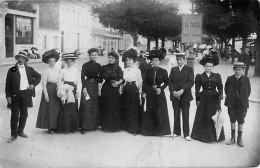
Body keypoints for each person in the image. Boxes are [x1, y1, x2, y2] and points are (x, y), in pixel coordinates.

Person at [5, 50, 41, 143]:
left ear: (25, 60)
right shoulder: (12, 69)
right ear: (17, 59)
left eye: (22, 58)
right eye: (19, 58)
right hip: (15, 95)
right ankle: (13, 134)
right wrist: (8, 96)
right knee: (15, 115)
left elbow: (38, 76)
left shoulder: (29, 69)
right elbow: (7, 84)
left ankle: (20, 131)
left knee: (24, 114)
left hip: (26, 94)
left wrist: (33, 84)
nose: (20, 59)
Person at [191, 54, 225, 143]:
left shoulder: (217, 76)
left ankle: (215, 136)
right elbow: (197, 89)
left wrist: (221, 94)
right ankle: (203, 137)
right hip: (204, 98)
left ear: (213, 67)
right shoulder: (199, 76)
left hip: (214, 98)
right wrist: (197, 99)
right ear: (204, 67)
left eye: (210, 66)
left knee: (215, 116)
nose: (208, 68)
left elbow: (220, 87)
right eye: (207, 66)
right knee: (204, 116)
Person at [140, 50, 171, 136]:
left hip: (159, 93)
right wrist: (144, 92)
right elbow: (144, 82)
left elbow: (166, 82)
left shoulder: (163, 71)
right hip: (149, 93)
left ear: (159, 61)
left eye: (156, 60)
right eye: (153, 60)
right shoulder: (148, 70)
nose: (155, 62)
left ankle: (161, 131)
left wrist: (161, 88)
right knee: (149, 111)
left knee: (159, 111)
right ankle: (149, 131)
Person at [168, 53, 194, 141]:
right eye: (177, 60)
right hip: (175, 95)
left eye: (180, 59)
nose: (178, 61)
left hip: (185, 95)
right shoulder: (173, 69)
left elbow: (191, 82)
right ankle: (176, 131)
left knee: (185, 114)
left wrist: (182, 90)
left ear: (184, 60)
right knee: (176, 113)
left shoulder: (189, 69)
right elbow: (170, 81)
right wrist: (173, 91)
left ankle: (186, 133)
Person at [225, 62, 251, 147]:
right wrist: (231, 97)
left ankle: (239, 139)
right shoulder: (230, 79)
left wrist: (242, 98)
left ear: (243, 70)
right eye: (236, 69)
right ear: (233, 70)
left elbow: (248, 92)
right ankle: (232, 138)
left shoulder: (246, 79)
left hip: (241, 104)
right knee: (232, 119)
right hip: (231, 103)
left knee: (241, 120)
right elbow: (226, 90)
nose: (237, 71)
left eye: (239, 69)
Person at [36, 49, 61, 134]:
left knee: (56, 109)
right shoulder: (46, 71)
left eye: (53, 61)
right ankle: (49, 127)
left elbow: (60, 80)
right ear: (48, 62)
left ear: (55, 61)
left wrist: (60, 89)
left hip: (56, 90)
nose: (52, 62)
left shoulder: (58, 70)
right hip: (49, 90)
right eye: (50, 61)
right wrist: (46, 95)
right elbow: (43, 83)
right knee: (49, 109)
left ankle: (56, 126)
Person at [98, 52, 123, 132]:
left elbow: (122, 79)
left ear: (115, 59)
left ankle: (114, 127)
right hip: (105, 88)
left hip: (114, 89)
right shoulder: (104, 67)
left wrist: (117, 83)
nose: (110, 59)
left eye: (112, 58)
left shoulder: (118, 68)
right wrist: (99, 90)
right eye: (109, 57)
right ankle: (106, 126)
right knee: (106, 106)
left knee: (114, 107)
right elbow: (100, 80)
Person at [56, 52, 81, 133]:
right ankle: (65, 128)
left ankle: (72, 128)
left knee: (72, 107)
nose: (69, 63)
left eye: (71, 62)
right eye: (68, 62)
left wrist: (77, 92)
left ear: (73, 62)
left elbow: (78, 81)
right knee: (65, 108)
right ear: (65, 62)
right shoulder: (63, 70)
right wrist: (63, 90)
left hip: (73, 88)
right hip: (65, 89)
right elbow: (59, 81)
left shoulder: (76, 70)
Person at [79, 48, 102, 134]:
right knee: (86, 105)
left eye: (95, 55)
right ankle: (84, 126)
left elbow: (100, 78)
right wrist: (84, 88)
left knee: (94, 105)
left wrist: (99, 88)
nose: (94, 56)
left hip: (95, 86)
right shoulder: (85, 65)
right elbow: (82, 76)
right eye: (92, 55)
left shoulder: (99, 65)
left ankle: (93, 125)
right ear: (90, 56)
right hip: (87, 85)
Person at [120, 49, 143, 135]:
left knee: (133, 108)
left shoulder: (137, 70)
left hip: (134, 88)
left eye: (130, 60)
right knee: (126, 106)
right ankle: (127, 126)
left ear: (133, 61)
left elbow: (140, 82)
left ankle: (134, 128)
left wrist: (139, 91)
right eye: (127, 60)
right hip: (126, 88)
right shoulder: (125, 70)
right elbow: (123, 81)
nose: (128, 62)